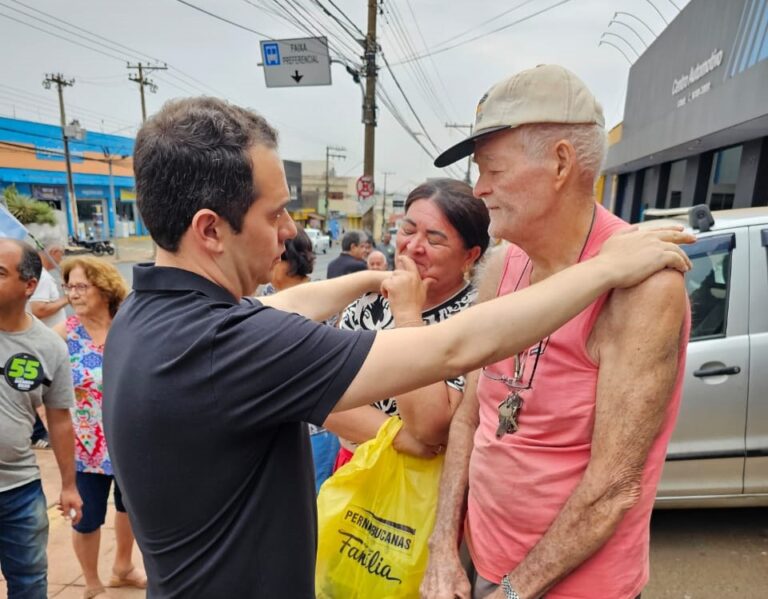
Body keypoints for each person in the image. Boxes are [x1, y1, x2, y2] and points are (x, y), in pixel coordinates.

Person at [101, 97, 692, 598]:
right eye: (275, 212)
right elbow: (455, 347)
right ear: (210, 230)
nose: (289, 232)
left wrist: (370, 278)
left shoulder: (150, 317)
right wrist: (603, 270)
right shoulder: (226, 347)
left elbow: (283, 307)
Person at [421, 64, 692, 599]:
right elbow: (470, 418)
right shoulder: (502, 264)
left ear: (561, 163)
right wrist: (443, 551)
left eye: (493, 170)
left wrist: (515, 592)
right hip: (485, 567)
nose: (479, 189)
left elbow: (612, 488)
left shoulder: (642, 287)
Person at [327, 179, 489, 469]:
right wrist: (400, 438)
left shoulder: (479, 314)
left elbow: (431, 428)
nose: (413, 247)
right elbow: (323, 396)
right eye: (408, 230)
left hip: (428, 485)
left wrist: (407, 316)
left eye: (435, 239)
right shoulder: (370, 300)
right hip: (358, 472)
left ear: (470, 256)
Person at [51, 257, 144, 599]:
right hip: (84, 445)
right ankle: (91, 582)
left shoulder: (127, 327)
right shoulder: (64, 334)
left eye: (81, 286)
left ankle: (123, 567)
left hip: (129, 439)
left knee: (129, 507)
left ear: (104, 289)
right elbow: (42, 383)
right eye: (69, 286)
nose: (73, 294)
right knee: (86, 517)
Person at [0, 238, 82, 599]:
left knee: (30, 582)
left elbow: (60, 419)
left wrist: (68, 485)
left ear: (29, 286)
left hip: (20, 491)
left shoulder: (50, 347)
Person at [28, 238, 69, 449]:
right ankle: (38, 433)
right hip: (45, 341)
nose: (61, 259)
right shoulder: (42, 276)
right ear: (53, 251)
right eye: (61, 254)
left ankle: (38, 432)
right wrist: (67, 299)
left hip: (46, 340)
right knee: (42, 385)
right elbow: (38, 309)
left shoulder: (38, 273)